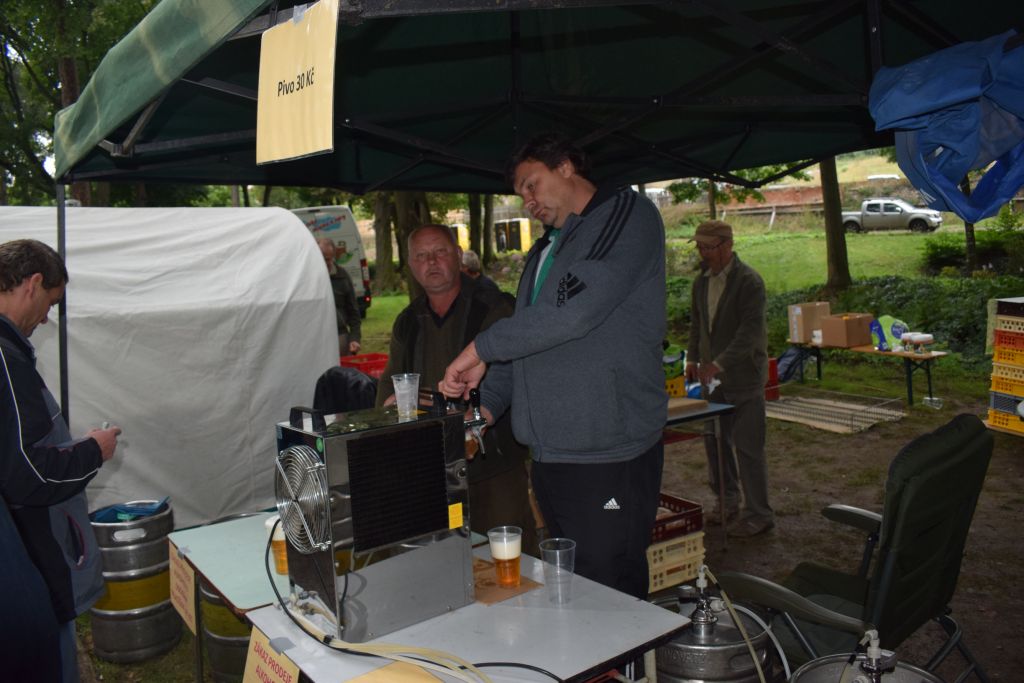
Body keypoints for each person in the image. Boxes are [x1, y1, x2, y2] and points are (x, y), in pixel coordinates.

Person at [441, 133, 666, 599]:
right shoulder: (545, 251)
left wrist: (480, 347)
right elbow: (530, 339)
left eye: (531, 184)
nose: (527, 201)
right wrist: (488, 406)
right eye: (520, 194)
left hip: (608, 455)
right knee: (573, 589)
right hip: (550, 457)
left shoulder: (625, 215)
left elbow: (574, 314)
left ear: (565, 165)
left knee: (612, 592)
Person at [0, 239, 121, 682]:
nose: (47, 317)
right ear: (32, 284)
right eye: (51, 303)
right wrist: (93, 450)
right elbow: (27, 474)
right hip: (22, 561)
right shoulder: (4, 358)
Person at [376, 224, 537, 553]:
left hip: (493, 460)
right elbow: (391, 389)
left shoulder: (495, 307)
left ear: (458, 255)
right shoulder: (408, 321)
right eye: (421, 256)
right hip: (431, 467)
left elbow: (509, 372)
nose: (431, 262)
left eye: (440, 252)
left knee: (508, 551)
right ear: (410, 264)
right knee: (444, 557)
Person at [684, 220, 773, 538]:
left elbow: (749, 334)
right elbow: (697, 324)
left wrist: (718, 364)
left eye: (708, 247)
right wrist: (692, 358)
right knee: (715, 442)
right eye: (699, 246)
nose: (702, 253)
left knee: (748, 447)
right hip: (713, 380)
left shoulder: (749, 282)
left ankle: (759, 513)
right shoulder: (701, 283)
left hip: (744, 376)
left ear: (727, 245)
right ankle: (727, 501)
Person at [317, 237, 362, 356]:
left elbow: (353, 311)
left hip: (340, 335)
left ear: (333, 256)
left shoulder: (342, 276)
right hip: (316, 338)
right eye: (320, 258)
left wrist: (355, 338)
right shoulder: (307, 277)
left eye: (327, 259)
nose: (324, 263)